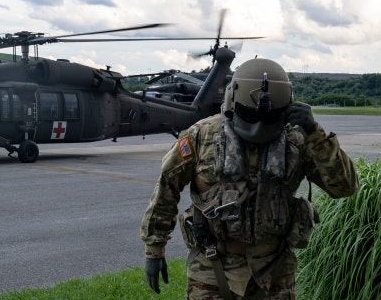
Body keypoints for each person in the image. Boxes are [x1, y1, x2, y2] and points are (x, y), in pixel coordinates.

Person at [140, 58, 359, 299]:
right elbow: (167, 188)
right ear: (232, 102)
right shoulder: (202, 135)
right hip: (212, 268)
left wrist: (314, 134)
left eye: (271, 118)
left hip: (275, 271)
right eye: (249, 116)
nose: (258, 128)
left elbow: (345, 187)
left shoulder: (298, 140)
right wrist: (154, 249)